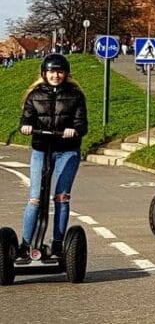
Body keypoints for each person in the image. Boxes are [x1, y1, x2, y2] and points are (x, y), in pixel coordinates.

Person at [16, 54, 88, 262]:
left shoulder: (75, 96)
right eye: (51, 72)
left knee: (61, 197)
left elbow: (82, 124)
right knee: (35, 198)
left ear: (65, 74)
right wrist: (26, 127)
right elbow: (25, 120)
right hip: (41, 149)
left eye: (59, 72)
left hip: (67, 149)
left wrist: (74, 130)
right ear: (44, 74)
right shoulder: (34, 96)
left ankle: (58, 244)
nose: (55, 75)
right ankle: (25, 245)